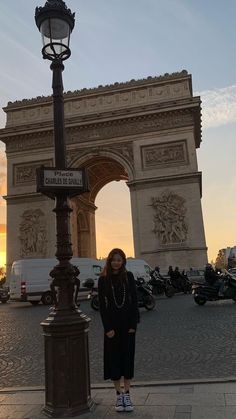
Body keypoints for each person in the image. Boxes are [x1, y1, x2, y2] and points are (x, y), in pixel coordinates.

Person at [98, 248, 139, 412]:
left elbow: (135, 301)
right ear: (109, 261)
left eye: (119, 260)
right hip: (112, 327)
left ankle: (127, 394)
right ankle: (118, 395)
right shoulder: (103, 280)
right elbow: (102, 306)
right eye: (114, 259)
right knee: (114, 361)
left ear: (123, 262)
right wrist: (107, 328)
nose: (116, 262)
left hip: (127, 326)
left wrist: (133, 325)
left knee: (127, 360)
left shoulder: (128, 277)